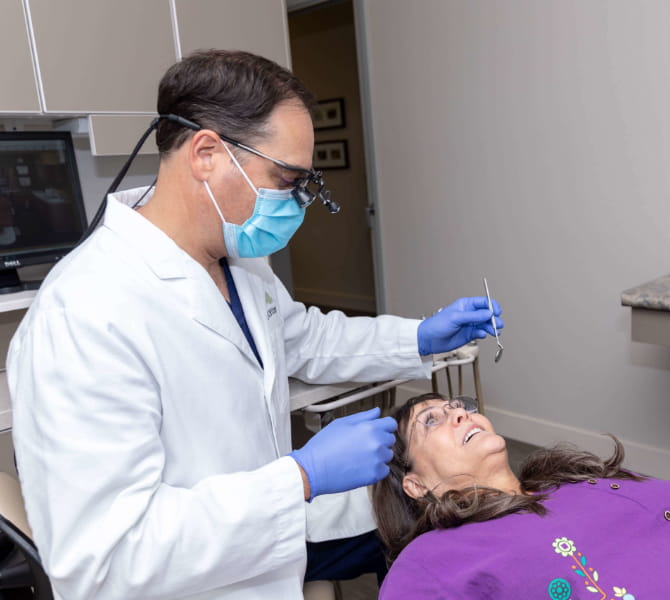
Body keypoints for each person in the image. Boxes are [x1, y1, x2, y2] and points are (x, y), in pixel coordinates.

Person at [5, 50, 504, 600]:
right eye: (284, 178)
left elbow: (302, 339)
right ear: (206, 153)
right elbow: (103, 558)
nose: (295, 201)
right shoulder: (84, 315)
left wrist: (418, 337)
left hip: (261, 559)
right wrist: (300, 478)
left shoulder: (237, 262)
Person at [374, 393, 670, 599]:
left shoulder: (576, 481)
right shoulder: (433, 561)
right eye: (433, 421)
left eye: (458, 405)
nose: (461, 413)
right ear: (414, 484)